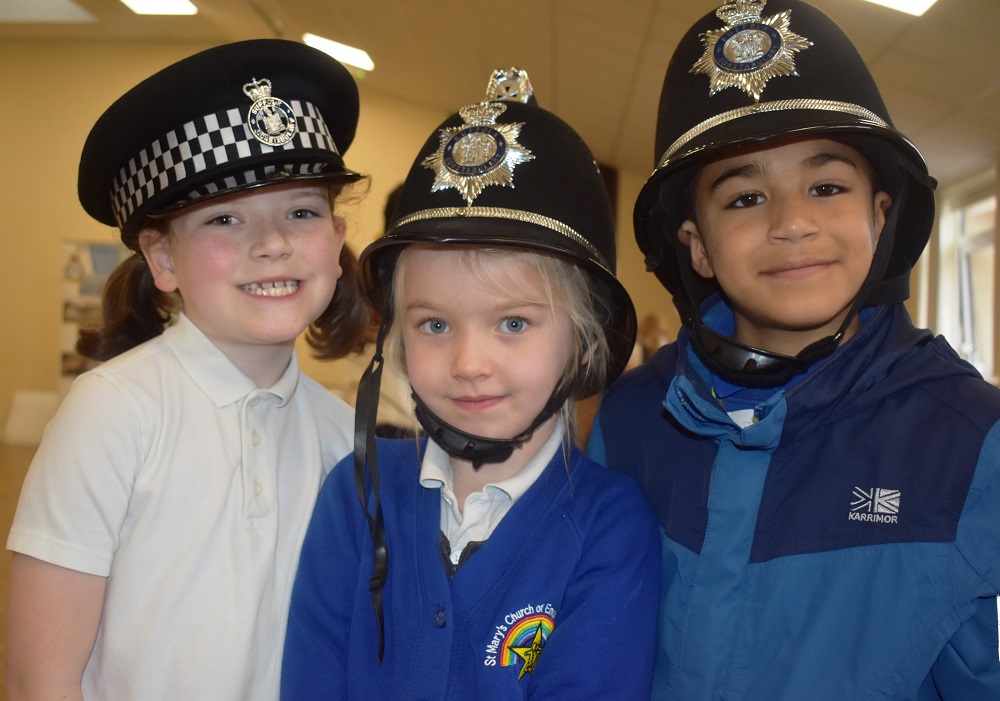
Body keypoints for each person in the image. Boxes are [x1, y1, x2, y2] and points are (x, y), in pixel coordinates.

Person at [588, 1, 1000, 698]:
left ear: (880, 215)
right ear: (697, 246)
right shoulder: (630, 420)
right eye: (746, 198)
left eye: (827, 186)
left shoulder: (969, 441)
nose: (793, 223)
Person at [5, 39, 371, 701]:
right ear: (161, 260)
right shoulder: (112, 411)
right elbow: (39, 680)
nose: (272, 244)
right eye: (224, 218)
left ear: (337, 241)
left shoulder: (344, 436)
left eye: (302, 211)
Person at [281, 68, 660, 699]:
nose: (469, 362)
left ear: (586, 339)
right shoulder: (355, 494)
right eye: (434, 324)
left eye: (513, 322)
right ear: (395, 333)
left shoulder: (611, 529)